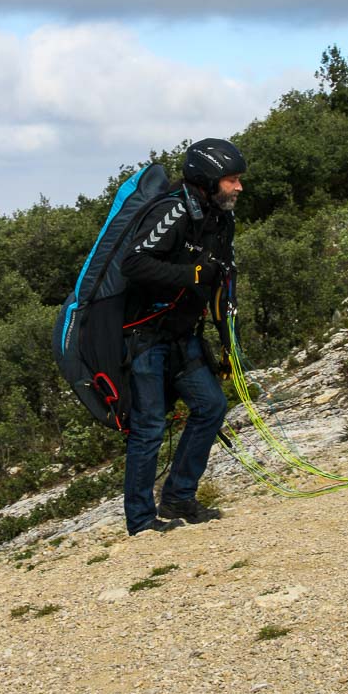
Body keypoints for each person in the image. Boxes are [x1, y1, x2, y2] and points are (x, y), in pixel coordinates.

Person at [119, 138, 246, 535]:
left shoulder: (220, 220)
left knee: (211, 406)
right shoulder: (173, 211)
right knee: (150, 426)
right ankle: (141, 522)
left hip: (183, 335)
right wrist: (191, 274)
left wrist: (228, 344)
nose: (239, 187)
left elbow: (222, 280)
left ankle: (178, 497)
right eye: (231, 180)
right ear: (207, 179)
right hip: (145, 335)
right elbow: (133, 263)